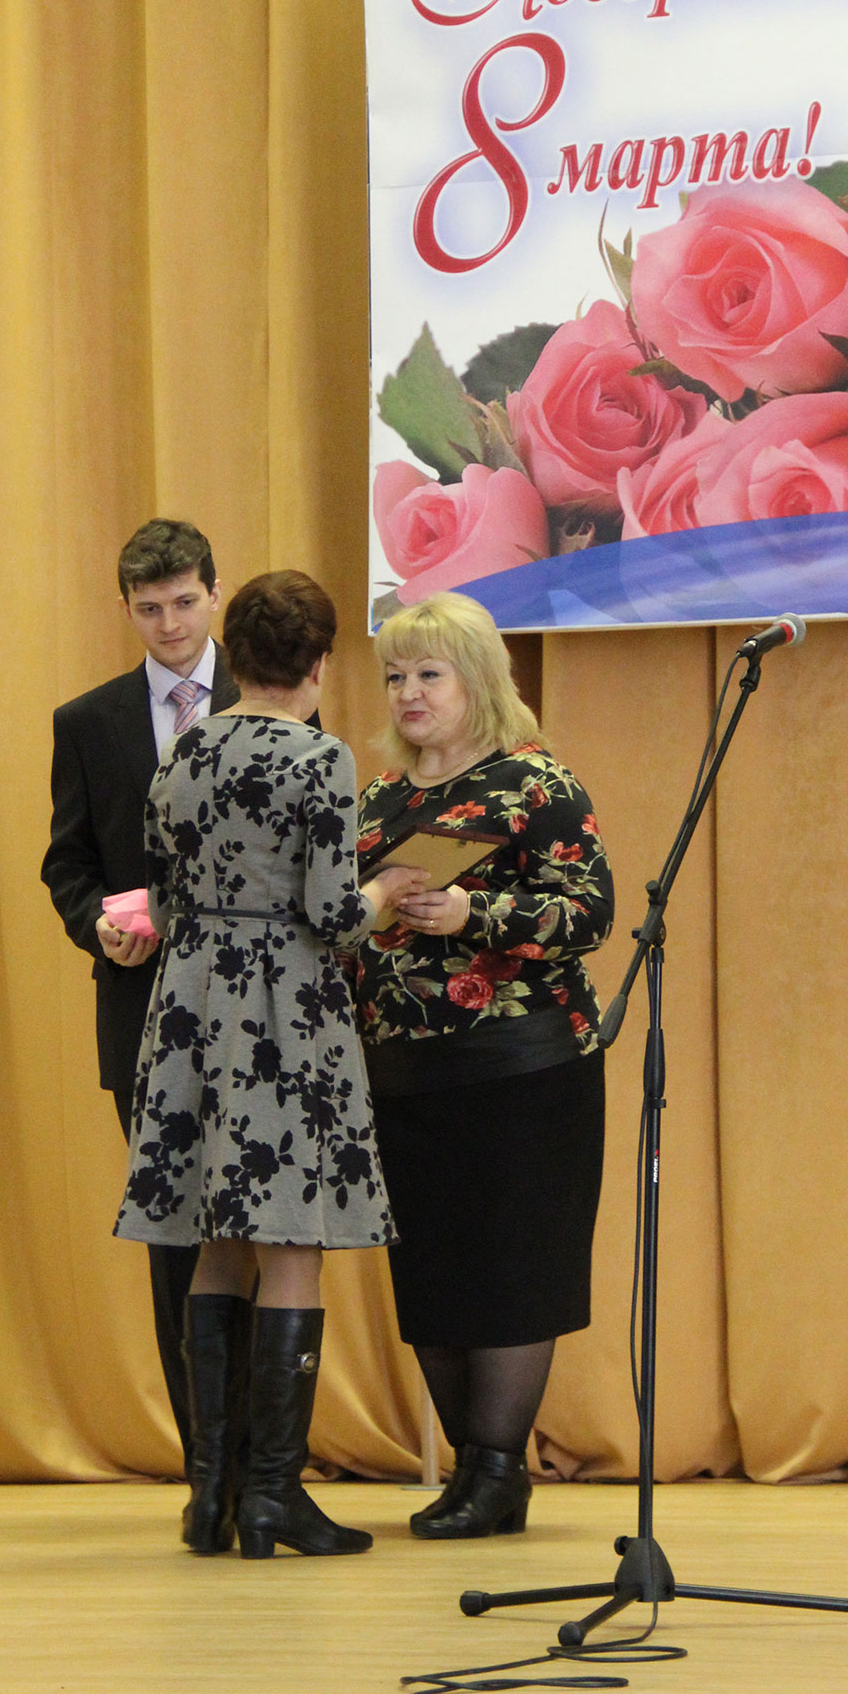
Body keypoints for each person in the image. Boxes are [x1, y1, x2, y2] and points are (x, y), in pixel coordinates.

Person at [113, 571, 425, 1559]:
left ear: (237, 656)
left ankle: (210, 1495)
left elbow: (162, 896)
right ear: (320, 662)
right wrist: (388, 890)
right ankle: (275, 1495)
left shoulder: (183, 749)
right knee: (291, 1243)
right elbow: (331, 913)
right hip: (283, 1009)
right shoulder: (320, 757)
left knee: (215, 1239)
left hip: (192, 1003)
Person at [354, 591, 615, 1539]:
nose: (409, 692)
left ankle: (498, 1471)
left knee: (510, 1268)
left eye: (430, 673)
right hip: (403, 1073)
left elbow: (589, 912)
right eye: (396, 675)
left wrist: (478, 915)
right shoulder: (381, 796)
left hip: (522, 1068)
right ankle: (474, 1471)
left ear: (477, 679)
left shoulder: (537, 784)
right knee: (433, 1272)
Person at [41, 519, 238, 1461]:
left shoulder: (271, 700)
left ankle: (263, 1453)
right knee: (176, 1235)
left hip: (257, 1011)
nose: (170, 624)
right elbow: (68, 863)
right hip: (143, 1007)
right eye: (150, 608)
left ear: (215, 593)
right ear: (125, 608)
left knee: (261, 1229)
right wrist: (98, 926)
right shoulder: (88, 722)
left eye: (185, 602)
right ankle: (205, 1456)